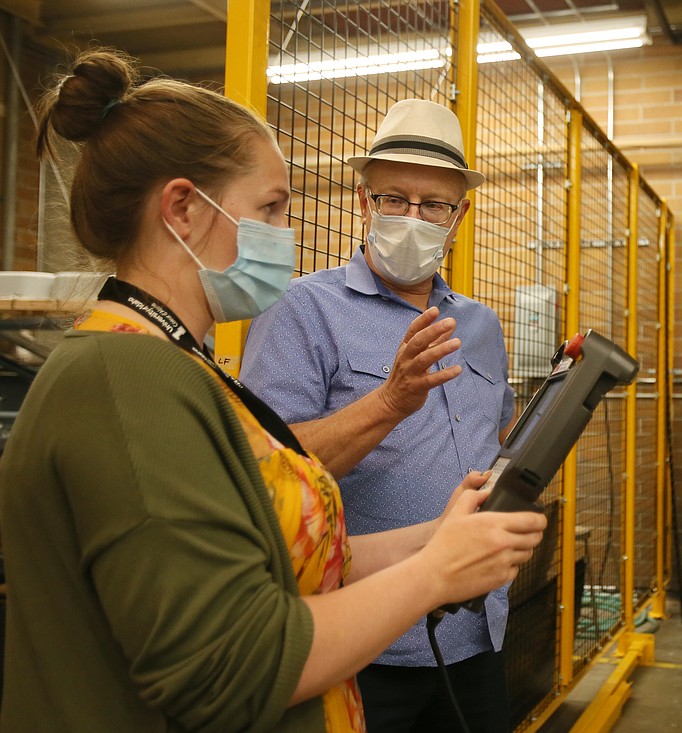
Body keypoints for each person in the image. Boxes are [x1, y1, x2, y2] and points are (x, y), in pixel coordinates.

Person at [0, 48, 545, 733]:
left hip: (464, 647)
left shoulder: (180, 368)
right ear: (182, 211)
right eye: (272, 207)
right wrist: (434, 571)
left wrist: (438, 537)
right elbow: (234, 664)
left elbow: (273, 552)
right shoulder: (124, 378)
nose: (285, 237)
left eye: (435, 203)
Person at [240, 99, 518, 732]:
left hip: (477, 635)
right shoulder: (301, 311)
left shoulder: (481, 326)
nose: (412, 218)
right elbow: (267, 475)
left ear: (459, 217)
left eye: (434, 206)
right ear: (364, 202)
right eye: (395, 199)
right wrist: (389, 402)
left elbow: (490, 440)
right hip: (361, 642)